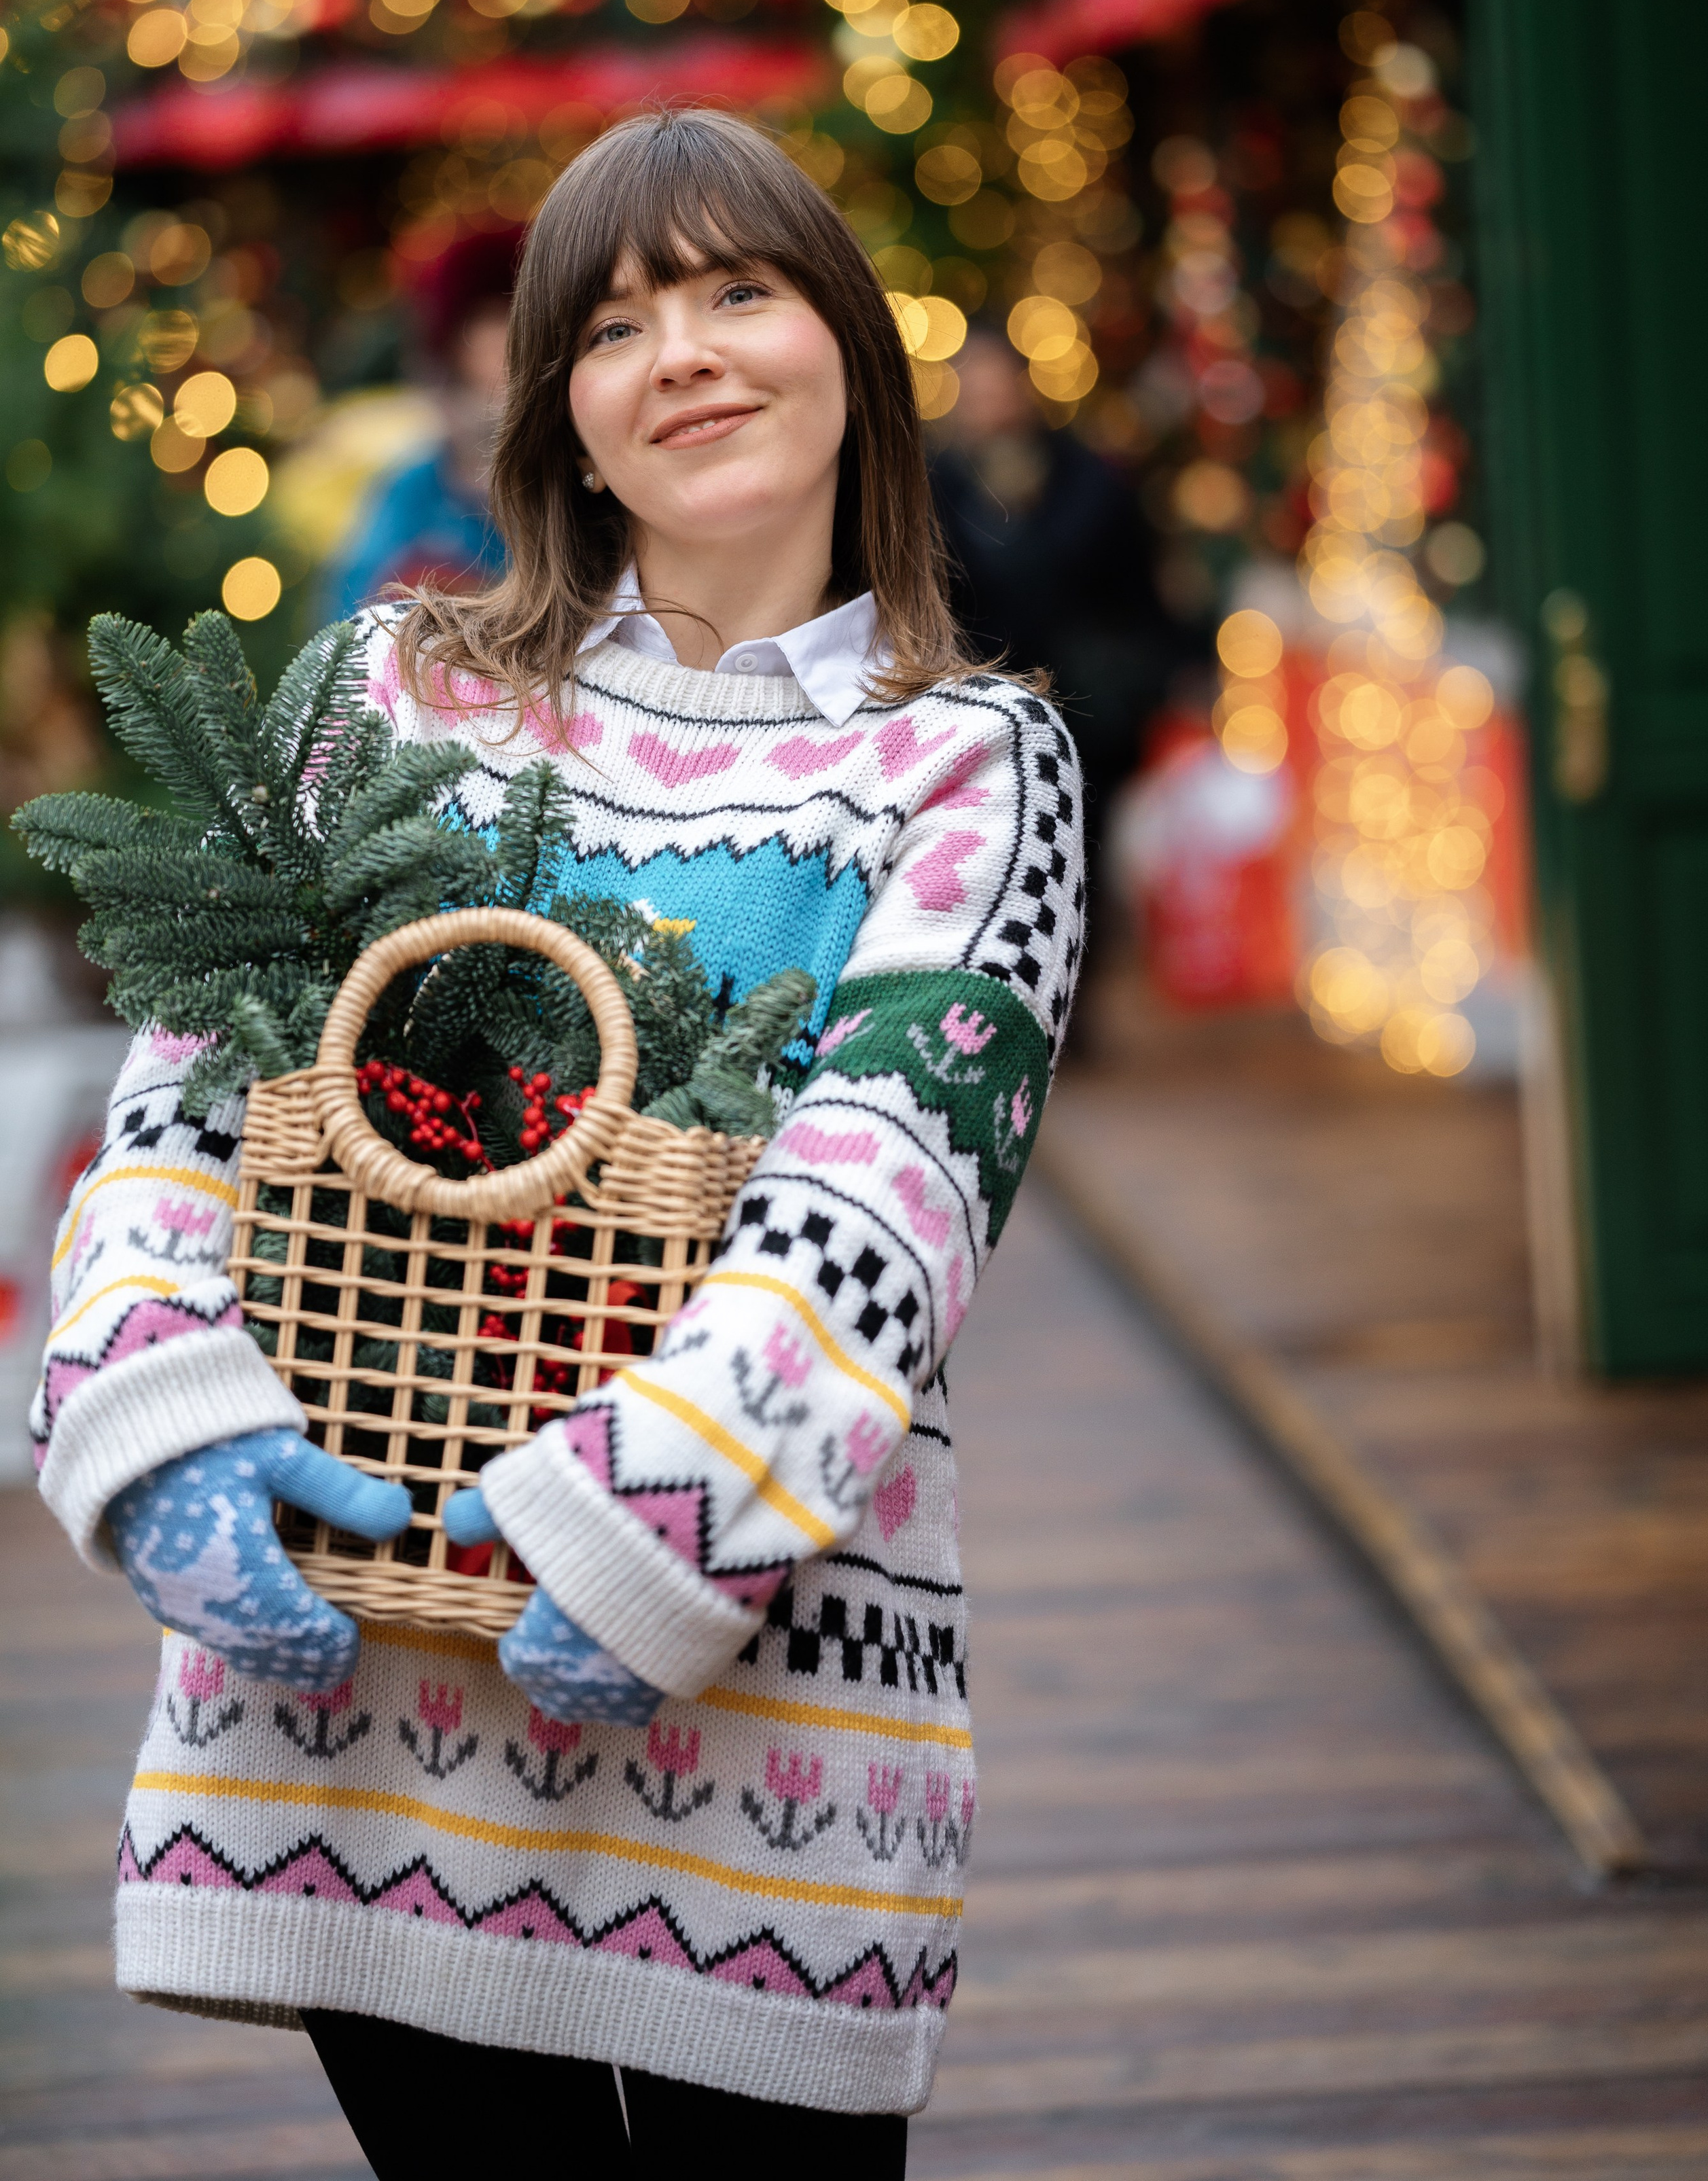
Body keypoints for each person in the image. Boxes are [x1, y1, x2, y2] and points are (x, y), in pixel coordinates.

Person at [33, 111, 1085, 2177]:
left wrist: (641, 1522)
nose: (679, 351)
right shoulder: (395, 688)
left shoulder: (969, 755)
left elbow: (893, 1184)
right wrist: (155, 1416)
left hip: (759, 1726)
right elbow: (183, 1089)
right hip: (349, 1704)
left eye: (736, 290)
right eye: (611, 324)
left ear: (850, 354)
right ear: (560, 423)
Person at [929, 321, 1181, 876]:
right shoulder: (933, 488)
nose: (988, 401)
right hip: (975, 717)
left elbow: (1135, 597)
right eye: (976, 387)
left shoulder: (1092, 481)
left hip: (1086, 717)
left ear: (1024, 386)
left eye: (998, 384)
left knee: (1079, 869)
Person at [318, 230, 517, 622]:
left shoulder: (582, 480)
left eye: (514, 324)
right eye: (484, 331)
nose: (503, 354)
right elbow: (345, 635)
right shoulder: (413, 493)